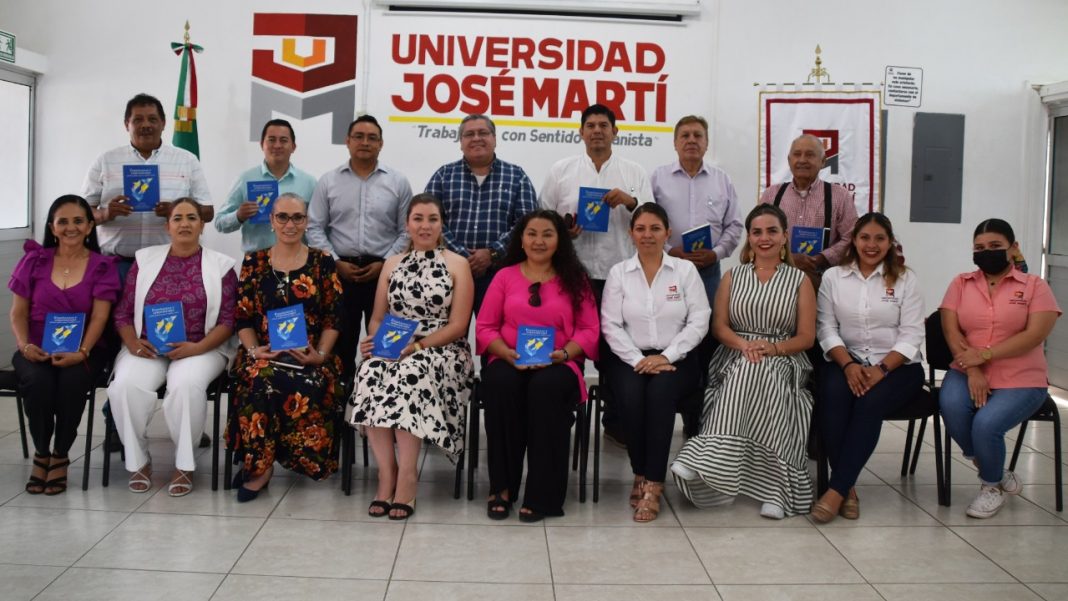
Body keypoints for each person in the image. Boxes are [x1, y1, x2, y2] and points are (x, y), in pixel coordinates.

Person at [671, 204, 817, 519]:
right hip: (735, 352)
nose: (764, 238)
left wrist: (772, 349)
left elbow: (806, 337)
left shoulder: (799, 280)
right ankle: (764, 484)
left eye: (772, 231)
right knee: (750, 366)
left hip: (784, 355)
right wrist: (745, 345)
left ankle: (776, 488)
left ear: (785, 236)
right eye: (757, 232)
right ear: (748, 238)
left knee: (760, 369)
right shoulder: (732, 276)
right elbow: (719, 326)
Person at [351, 193, 475, 521]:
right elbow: (377, 317)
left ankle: (407, 476)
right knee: (370, 371)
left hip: (442, 349)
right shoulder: (392, 264)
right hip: (395, 346)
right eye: (418, 218)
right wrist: (377, 342)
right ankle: (386, 473)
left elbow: (459, 325)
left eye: (432, 219)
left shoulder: (458, 264)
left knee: (411, 374)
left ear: (442, 224)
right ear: (407, 224)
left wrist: (418, 347)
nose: (425, 226)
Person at [539, 103, 654, 446]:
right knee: (567, 343)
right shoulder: (562, 170)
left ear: (615, 132)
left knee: (616, 350)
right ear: (581, 132)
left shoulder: (633, 171)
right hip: (572, 272)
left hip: (621, 274)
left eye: (604, 125)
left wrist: (631, 202)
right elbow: (543, 217)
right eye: (590, 126)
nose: (597, 131)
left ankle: (616, 420)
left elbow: (651, 218)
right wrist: (564, 230)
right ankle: (563, 414)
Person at [107, 198, 238, 497]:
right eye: (178, 218)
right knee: (124, 386)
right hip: (148, 347)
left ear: (202, 225)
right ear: (167, 226)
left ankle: (184, 463)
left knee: (186, 386)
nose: (185, 223)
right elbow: (123, 312)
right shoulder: (145, 260)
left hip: (202, 346)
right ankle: (139, 460)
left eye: (192, 218)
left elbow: (228, 320)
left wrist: (197, 348)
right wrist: (132, 343)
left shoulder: (221, 266)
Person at [476, 210, 600, 522]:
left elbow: (589, 330)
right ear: (521, 239)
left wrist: (565, 354)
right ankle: (502, 488)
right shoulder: (504, 276)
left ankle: (543, 495)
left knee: (547, 389)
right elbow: (486, 327)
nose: (538, 241)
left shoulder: (576, 279)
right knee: (500, 385)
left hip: (559, 361)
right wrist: (505, 353)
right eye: (532, 234)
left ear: (560, 241)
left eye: (547, 234)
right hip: (509, 357)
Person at [939, 218, 1061, 519]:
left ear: (1013, 247)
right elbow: (951, 331)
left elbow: (1035, 335)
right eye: (979, 248)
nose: (987, 252)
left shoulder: (1035, 286)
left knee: (986, 425)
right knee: (950, 405)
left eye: (995, 246)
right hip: (966, 369)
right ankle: (989, 464)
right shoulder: (961, 283)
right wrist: (973, 369)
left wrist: (985, 355)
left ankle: (991, 486)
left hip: (1022, 377)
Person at [227, 193, 344, 502]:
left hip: (310, 356)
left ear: (306, 222)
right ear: (271, 220)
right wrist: (255, 351)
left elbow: (334, 318)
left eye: (297, 217)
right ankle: (260, 468)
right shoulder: (254, 262)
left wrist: (320, 355)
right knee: (260, 377)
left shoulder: (323, 261)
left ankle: (279, 460)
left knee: (307, 381)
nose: (290, 224)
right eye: (282, 217)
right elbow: (242, 317)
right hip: (264, 354)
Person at [601, 204, 710, 522]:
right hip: (629, 358)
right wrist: (639, 360)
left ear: (667, 233)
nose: (647, 235)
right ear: (631, 233)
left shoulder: (685, 271)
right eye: (640, 228)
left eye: (655, 228)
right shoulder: (619, 273)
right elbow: (610, 325)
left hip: (678, 359)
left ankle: (654, 483)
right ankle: (641, 471)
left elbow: (699, 319)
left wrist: (666, 356)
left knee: (660, 394)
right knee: (631, 395)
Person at [812, 213, 925, 522]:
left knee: (868, 403)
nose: (871, 245)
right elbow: (826, 327)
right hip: (845, 360)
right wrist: (848, 365)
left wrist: (882, 370)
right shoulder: (834, 277)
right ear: (854, 241)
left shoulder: (905, 279)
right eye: (865, 238)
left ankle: (836, 490)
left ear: (890, 243)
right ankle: (847, 488)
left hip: (899, 367)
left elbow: (912, 334)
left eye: (879, 238)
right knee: (832, 398)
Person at [8, 195, 120, 495]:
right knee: (37, 381)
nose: (71, 227)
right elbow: (18, 313)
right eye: (63, 221)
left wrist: (81, 352)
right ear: (52, 228)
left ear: (90, 226)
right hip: (34, 348)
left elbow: (100, 317)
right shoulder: (34, 260)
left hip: (85, 349)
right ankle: (41, 453)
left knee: (72, 381)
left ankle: (60, 454)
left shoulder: (103, 266)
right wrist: (24, 345)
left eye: (78, 221)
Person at [307, 115, 413, 392]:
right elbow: (314, 227)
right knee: (341, 343)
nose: (365, 142)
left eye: (372, 138)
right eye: (359, 136)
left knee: (385, 343)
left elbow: (407, 231)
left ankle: (381, 400)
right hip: (340, 272)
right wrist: (335, 262)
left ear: (381, 143)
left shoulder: (398, 182)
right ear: (347, 141)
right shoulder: (329, 181)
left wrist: (386, 264)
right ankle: (340, 403)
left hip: (385, 273)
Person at [82, 93, 213, 280]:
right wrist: (106, 213)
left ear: (163, 123)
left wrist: (176, 211)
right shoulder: (105, 161)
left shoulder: (187, 160)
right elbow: (82, 214)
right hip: (116, 265)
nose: (146, 125)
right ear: (127, 124)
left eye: (152, 119)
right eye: (138, 120)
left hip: (170, 263)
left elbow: (208, 212)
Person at [425, 113, 538, 313]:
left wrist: (492, 253)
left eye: (483, 133)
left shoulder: (517, 176)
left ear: (494, 139)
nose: (476, 138)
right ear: (461, 143)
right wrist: (461, 256)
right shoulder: (443, 175)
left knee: (494, 331)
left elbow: (527, 223)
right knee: (446, 331)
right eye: (469, 134)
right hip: (448, 272)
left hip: (500, 274)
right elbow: (429, 220)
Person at [651, 115, 743, 308]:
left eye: (698, 135)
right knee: (667, 319)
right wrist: (668, 250)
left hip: (708, 269)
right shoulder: (658, 178)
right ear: (675, 143)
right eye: (685, 135)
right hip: (667, 265)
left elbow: (734, 224)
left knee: (708, 321)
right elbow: (647, 223)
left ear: (706, 143)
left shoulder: (722, 180)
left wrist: (715, 254)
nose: (691, 140)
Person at [758, 134, 858, 287]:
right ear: (789, 160)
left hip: (823, 282)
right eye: (797, 154)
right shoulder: (771, 195)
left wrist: (821, 258)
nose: (802, 160)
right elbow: (757, 235)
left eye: (810, 155)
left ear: (823, 161)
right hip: (775, 281)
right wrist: (787, 257)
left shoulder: (840, 196)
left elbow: (851, 237)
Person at [214, 119, 317, 253]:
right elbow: (219, 223)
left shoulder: (309, 183)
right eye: (271, 140)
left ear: (293, 147)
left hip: (298, 260)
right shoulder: (245, 179)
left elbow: (318, 226)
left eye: (283, 140)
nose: (277, 145)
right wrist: (238, 215)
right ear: (262, 144)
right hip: (257, 260)